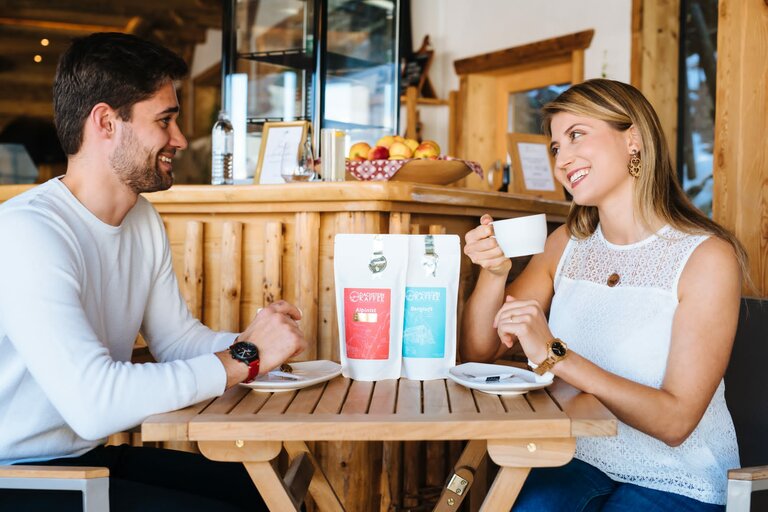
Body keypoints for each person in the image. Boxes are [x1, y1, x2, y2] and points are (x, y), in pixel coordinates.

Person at [0, 32, 307, 511]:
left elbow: (177, 341)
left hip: (81, 457)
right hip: (17, 477)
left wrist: (259, 343)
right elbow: (93, 402)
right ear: (105, 122)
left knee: (264, 489)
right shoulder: (28, 232)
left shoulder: (140, 218)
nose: (179, 139)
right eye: (165, 120)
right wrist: (245, 356)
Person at [461, 79, 746, 511]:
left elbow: (675, 422)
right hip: (577, 457)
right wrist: (494, 274)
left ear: (632, 139)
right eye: (556, 147)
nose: (562, 159)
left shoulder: (706, 258)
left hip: (677, 478)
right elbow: (478, 353)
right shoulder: (566, 244)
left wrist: (556, 354)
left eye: (576, 135)